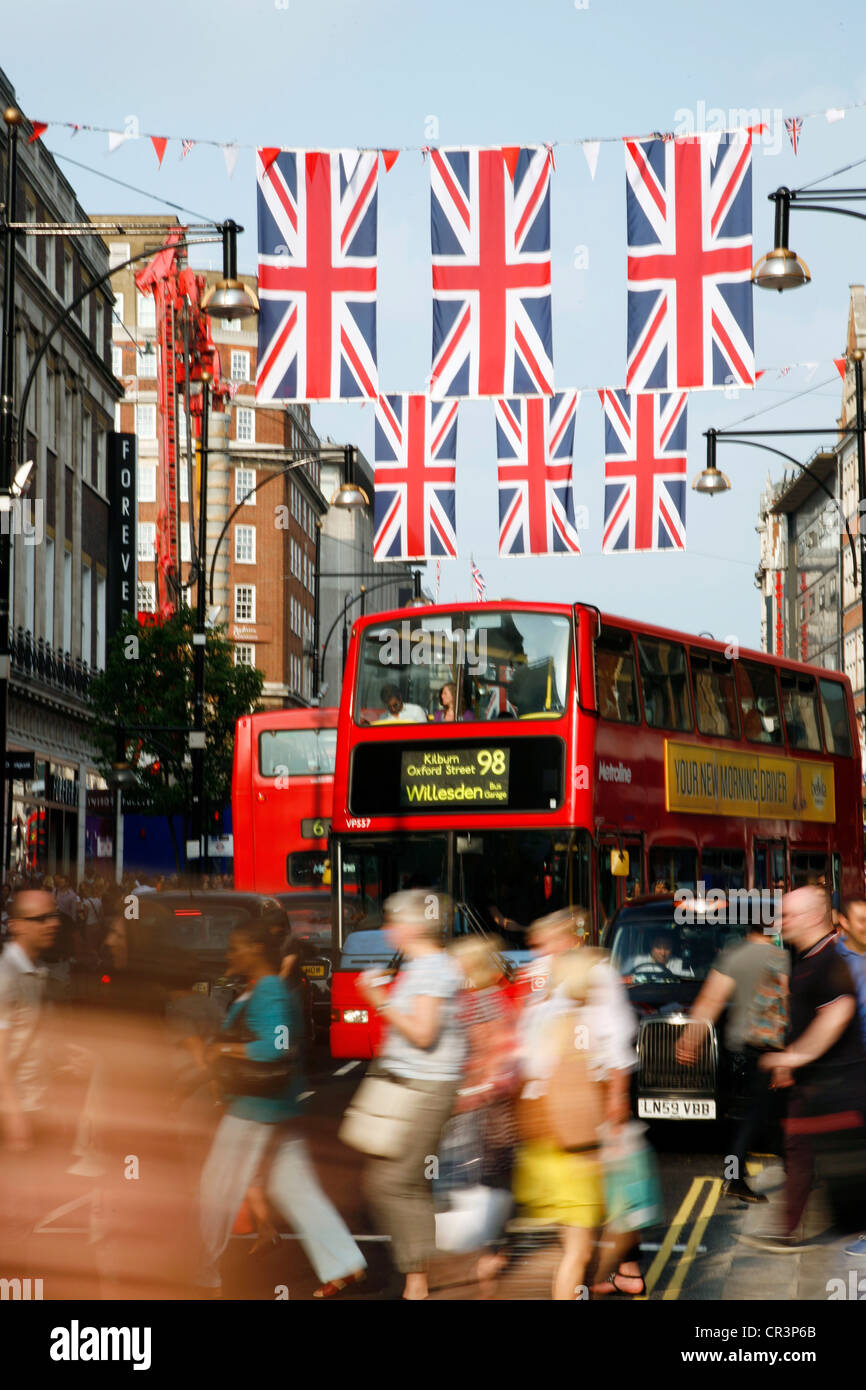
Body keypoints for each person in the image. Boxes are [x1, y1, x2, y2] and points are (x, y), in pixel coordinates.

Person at [198, 921, 366, 1298]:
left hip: (256, 1108)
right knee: (295, 1189)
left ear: (256, 950)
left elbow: (276, 1047)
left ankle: (201, 1273)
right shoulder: (259, 988)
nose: (230, 954)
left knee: (214, 1190)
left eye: (236, 947)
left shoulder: (270, 989)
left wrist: (225, 1050)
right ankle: (344, 1264)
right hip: (276, 1106)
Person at [356, 889, 465, 1301]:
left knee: (391, 1183)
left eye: (392, 920)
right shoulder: (419, 966)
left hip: (426, 1088)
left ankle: (422, 1275)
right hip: (409, 1086)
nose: (386, 929)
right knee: (404, 1183)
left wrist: (379, 1001)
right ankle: (419, 1278)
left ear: (413, 926)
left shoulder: (432, 967)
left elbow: (422, 1033)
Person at [744, 887, 866, 1253]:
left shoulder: (830, 961)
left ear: (814, 917)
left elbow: (837, 1012)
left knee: (845, 1170)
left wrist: (793, 1056)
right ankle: (788, 1232)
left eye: (788, 916)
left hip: (839, 1086)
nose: (780, 924)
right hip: (814, 1085)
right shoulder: (804, 959)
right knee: (798, 1151)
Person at [513, 947, 637, 1300]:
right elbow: (578, 1099)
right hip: (574, 1154)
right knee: (578, 1253)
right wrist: (595, 1151)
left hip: (544, 1152)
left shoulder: (544, 1016)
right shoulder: (581, 1025)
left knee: (571, 1250)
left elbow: (529, 1076)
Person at [676, 920, 790, 1202]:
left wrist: (690, 1039)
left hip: (736, 1050)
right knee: (759, 1118)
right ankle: (735, 1178)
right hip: (767, 1050)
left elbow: (710, 1000)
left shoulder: (733, 955)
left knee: (749, 1118)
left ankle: (741, 1175)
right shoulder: (779, 958)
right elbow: (783, 1007)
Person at [629, 932, 693, 979]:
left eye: (667, 948)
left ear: (672, 947)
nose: (663, 953)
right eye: (658, 947)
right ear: (651, 945)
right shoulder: (634, 962)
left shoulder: (682, 965)